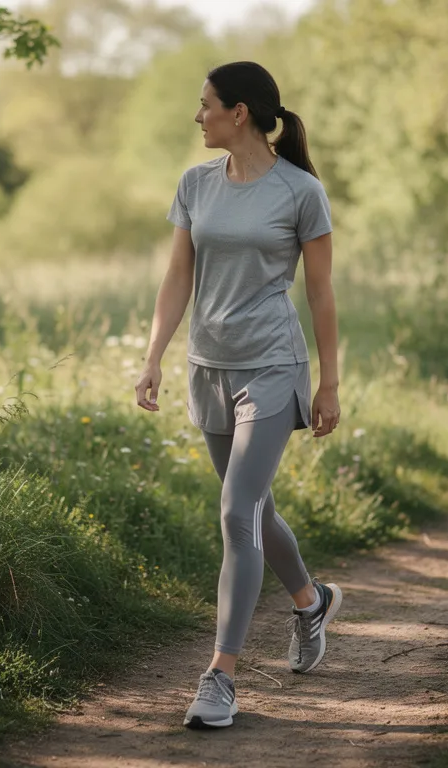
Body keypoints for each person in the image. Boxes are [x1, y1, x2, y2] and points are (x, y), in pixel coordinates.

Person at [133, 60, 344, 730]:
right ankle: (310, 602)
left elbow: (320, 292)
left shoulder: (300, 191)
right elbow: (176, 279)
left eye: (205, 105)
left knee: (235, 511)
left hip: (273, 365)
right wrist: (153, 358)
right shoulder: (195, 184)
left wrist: (330, 379)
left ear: (239, 112)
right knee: (253, 510)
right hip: (209, 367)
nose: (198, 116)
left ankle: (220, 675)